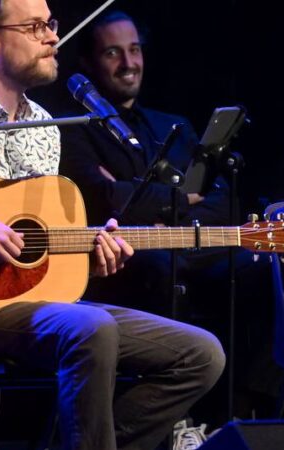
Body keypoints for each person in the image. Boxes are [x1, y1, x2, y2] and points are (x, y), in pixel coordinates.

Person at [0, 1, 225, 450]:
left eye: (50, 24)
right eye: (35, 27)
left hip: (22, 303)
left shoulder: (45, 128)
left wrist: (90, 258)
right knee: (90, 328)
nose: (52, 37)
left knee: (201, 355)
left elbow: (33, 252)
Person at [59, 11, 233, 318]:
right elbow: (102, 198)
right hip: (129, 263)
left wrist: (163, 224)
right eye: (112, 52)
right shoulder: (72, 130)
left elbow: (223, 201)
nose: (128, 63)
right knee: (159, 267)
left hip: (194, 252)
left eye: (134, 49)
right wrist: (183, 198)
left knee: (255, 267)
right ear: (87, 62)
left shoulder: (174, 125)